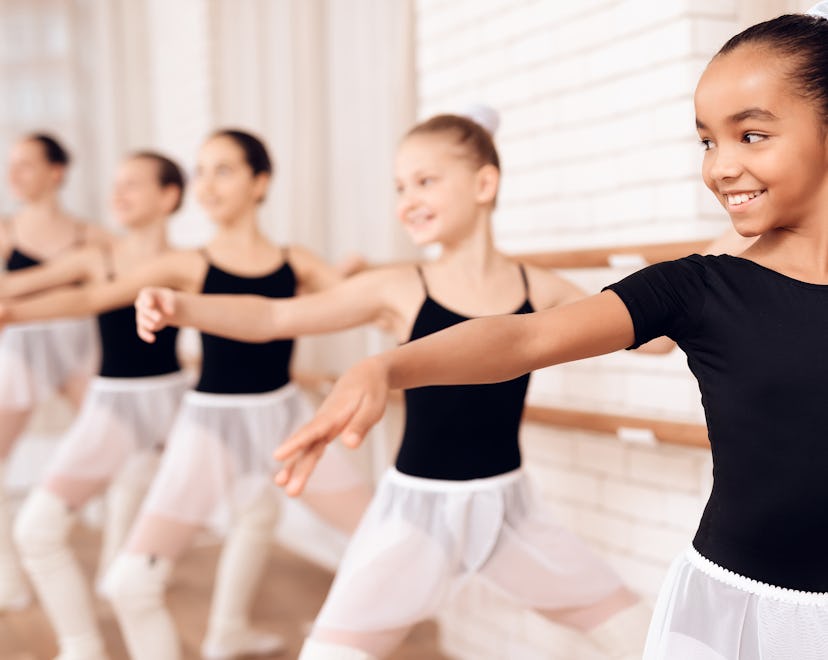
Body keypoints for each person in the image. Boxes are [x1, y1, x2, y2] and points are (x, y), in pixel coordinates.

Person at [270, 10, 828, 660]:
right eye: (707, 142)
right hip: (732, 609)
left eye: (751, 135)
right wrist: (387, 369)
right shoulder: (696, 290)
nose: (722, 167)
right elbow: (522, 340)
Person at [135, 111, 650, 660]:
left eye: (425, 181)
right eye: (400, 187)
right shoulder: (400, 288)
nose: (407, 199)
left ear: (483, 184)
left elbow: (650, 332)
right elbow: (273, 317)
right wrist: (181, 305)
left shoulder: (539, 287)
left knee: (638, 629)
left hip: (510, 513)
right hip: (414, 518)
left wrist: (722, 258)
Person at [0, 129, 369, 660]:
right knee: (131, 577)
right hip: (207, 419)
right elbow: (94, 296)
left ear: (260, 182)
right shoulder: (184, 264)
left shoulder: (296, 261)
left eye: (224, 170)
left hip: (286, 416)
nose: (208, 184)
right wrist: (13, 311)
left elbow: (357, 299)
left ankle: (314, 634)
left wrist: (366, 278)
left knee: (373, 535)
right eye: (202, 171)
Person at [1, 151, 188, 659]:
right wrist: (10, 311)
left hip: (174, 400)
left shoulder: (188, 263)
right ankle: (81, 646)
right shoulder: (96, 259)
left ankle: (206, 624)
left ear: (168, 197)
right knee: (36, 530)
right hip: (112, 402)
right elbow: (25, 291)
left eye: (132, 185)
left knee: (174, 517)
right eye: (114, 185)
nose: (117, 195)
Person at [0, 133, 106, 612]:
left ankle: (114, 568)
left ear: (55, 172)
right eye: (12, 165)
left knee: (121, 446)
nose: (13, 174)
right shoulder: (5, 231)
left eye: (25, 165)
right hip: (20, 352)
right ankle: (8, 577)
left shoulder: (91, 235)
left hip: (78, 350)